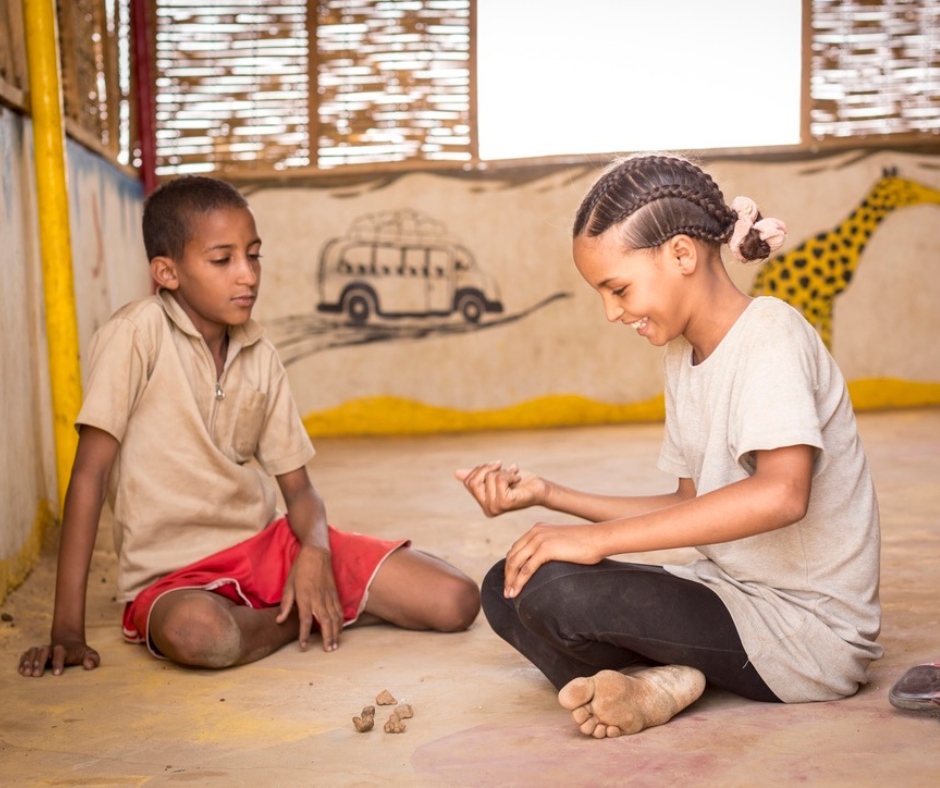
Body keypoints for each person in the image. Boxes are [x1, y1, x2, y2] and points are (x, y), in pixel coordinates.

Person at [457, 153, 882, 739]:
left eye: (618, 288)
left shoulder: (771, 335)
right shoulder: (683, 356)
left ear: (682, 254)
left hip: (805, 633)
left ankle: (659, 676)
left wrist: (595, 541)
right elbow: (687, 504)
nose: (611, 312)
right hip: (729, 596)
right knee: (508, 585)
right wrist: (549, 495)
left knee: (555, 590)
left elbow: (783, 495)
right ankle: (659, 682)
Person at [20, 175, 480, 677]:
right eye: (222, 260)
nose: (247, 275)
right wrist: (66, 631)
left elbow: (300, 490)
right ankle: (301, 614)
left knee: (454, 600)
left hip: (267, 549)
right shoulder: (135, 336)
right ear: (166, 272)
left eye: (254, 255)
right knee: (202, 636)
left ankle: (296, 601)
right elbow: (89, 476)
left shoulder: (259, 353)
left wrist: (315, 553)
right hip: (173, 579)